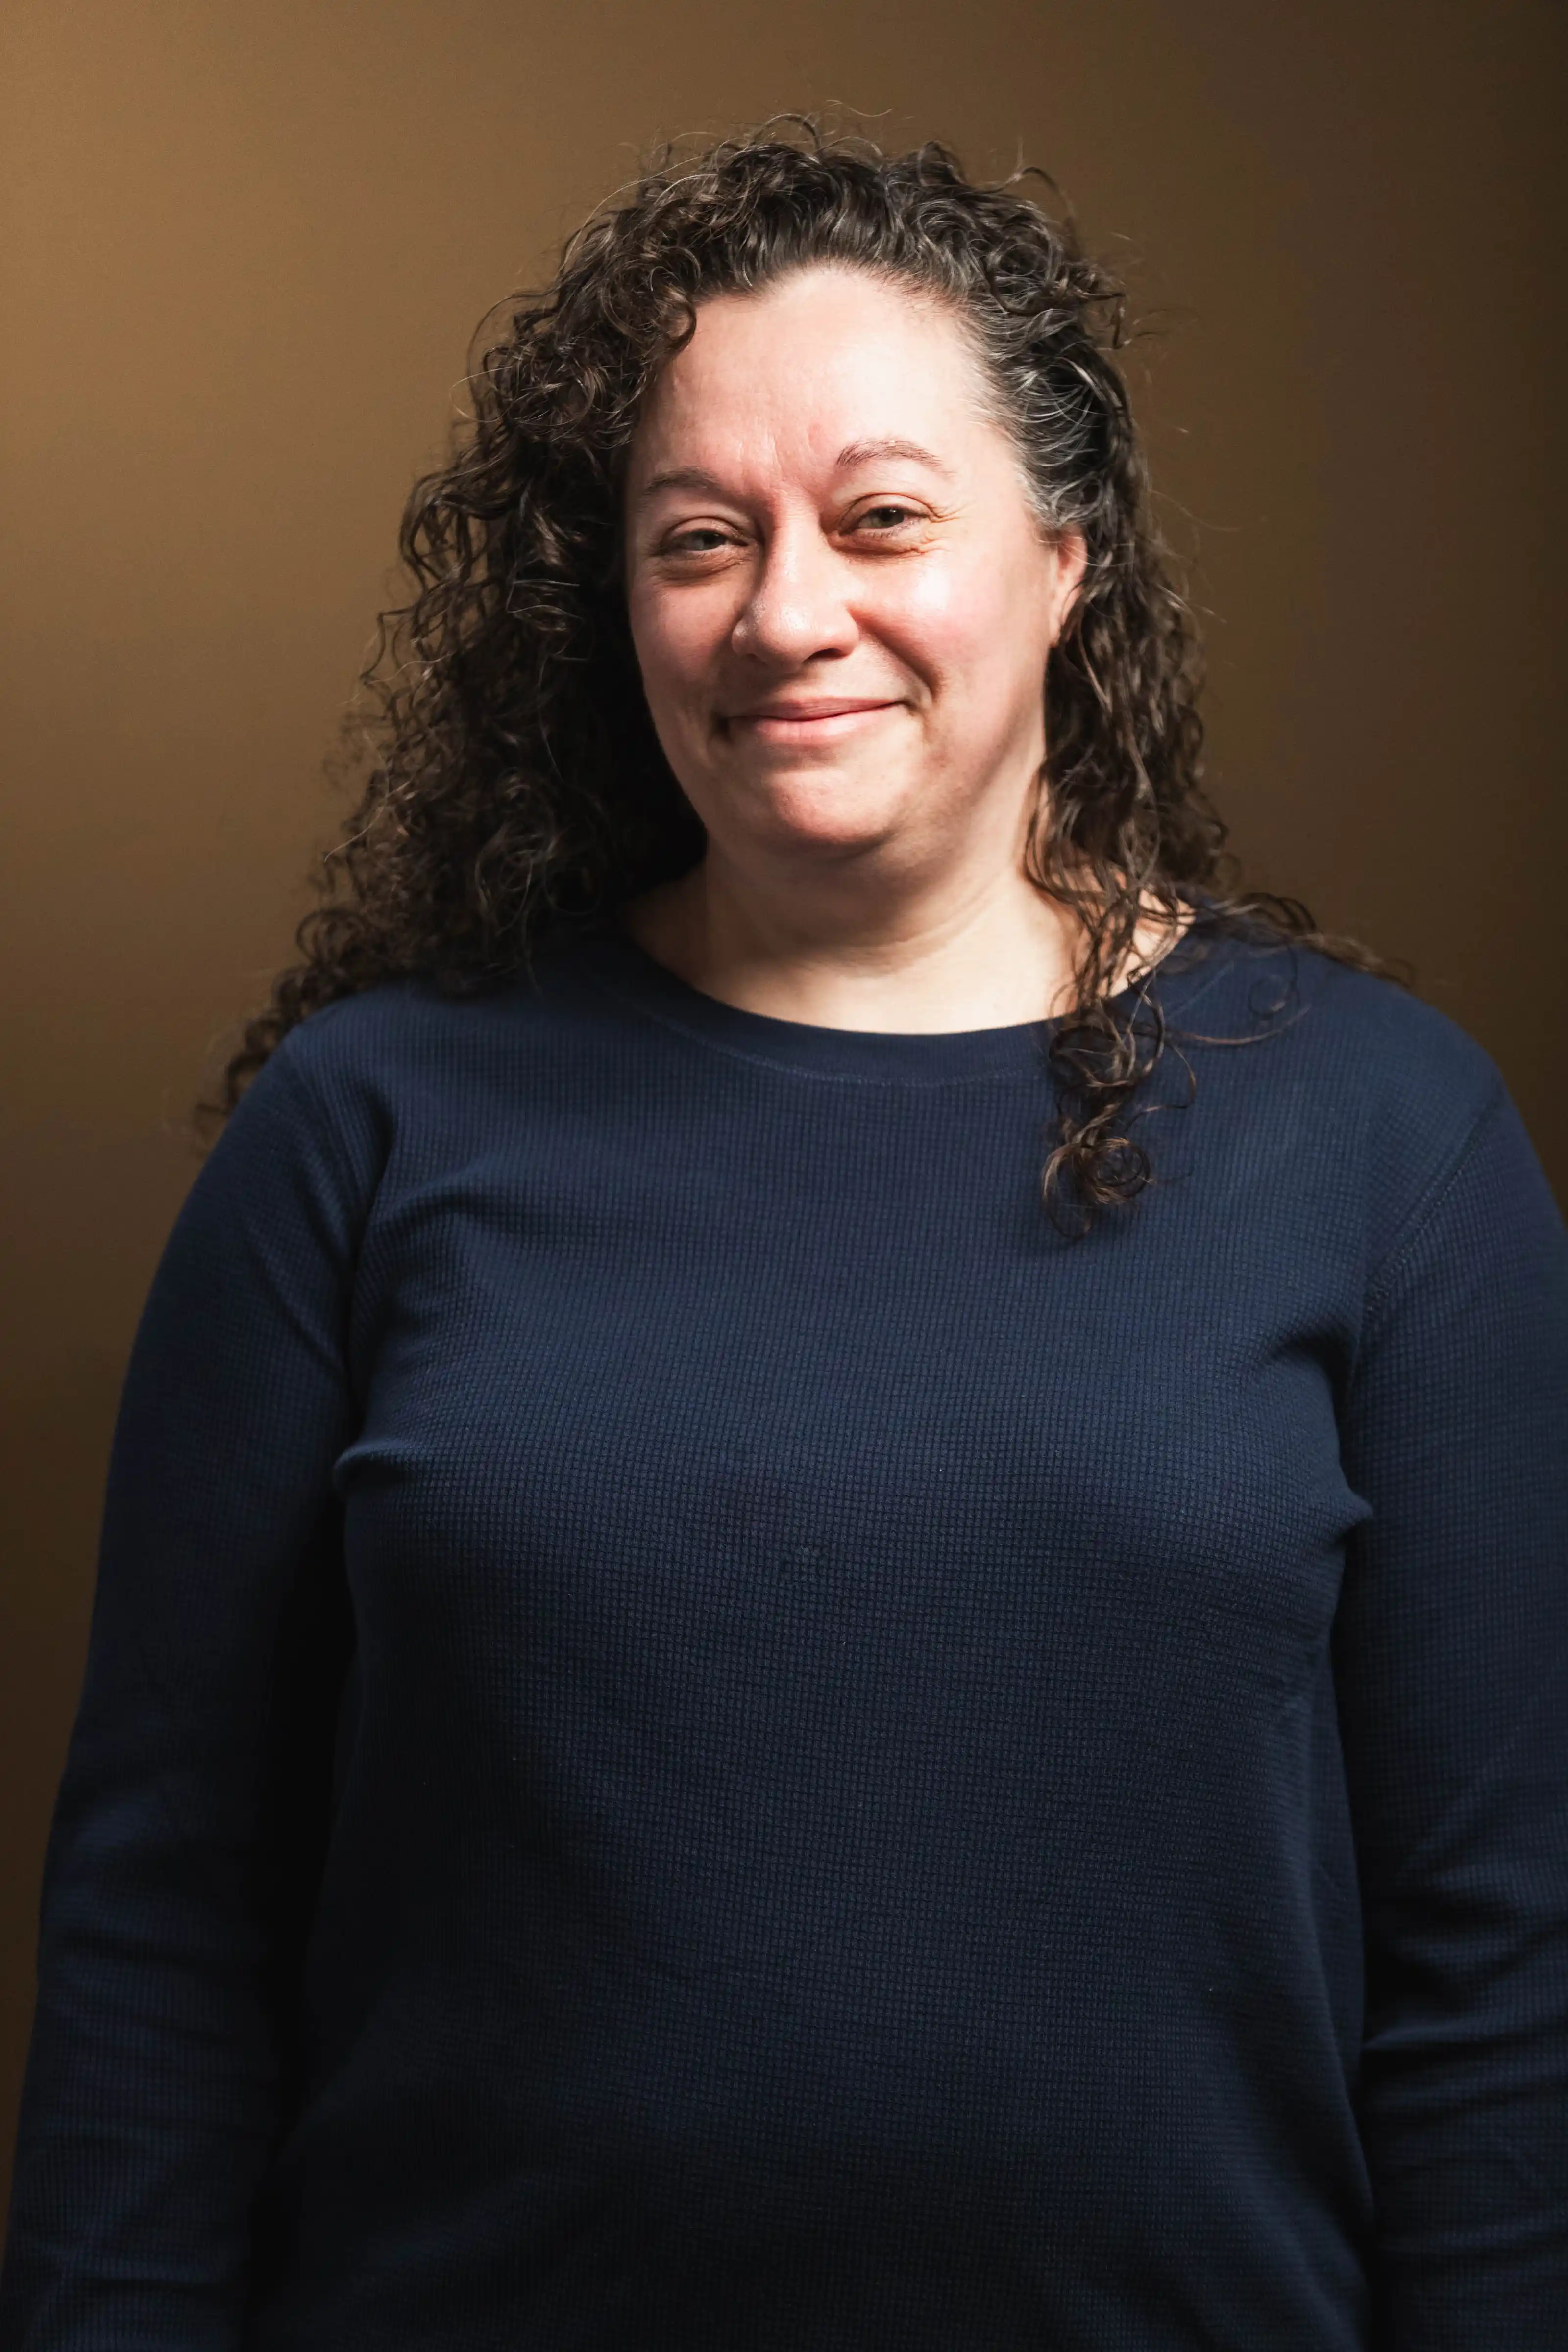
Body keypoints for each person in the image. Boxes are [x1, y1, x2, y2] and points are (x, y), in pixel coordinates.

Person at [2, 121, 1564, 2352]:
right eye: (697, 538)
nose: (783, 611)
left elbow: (1502, 1967)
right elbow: (165, 1930)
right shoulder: (365, 1129)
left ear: (1066, 562)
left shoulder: (1382, 1138)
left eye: (881, 519)